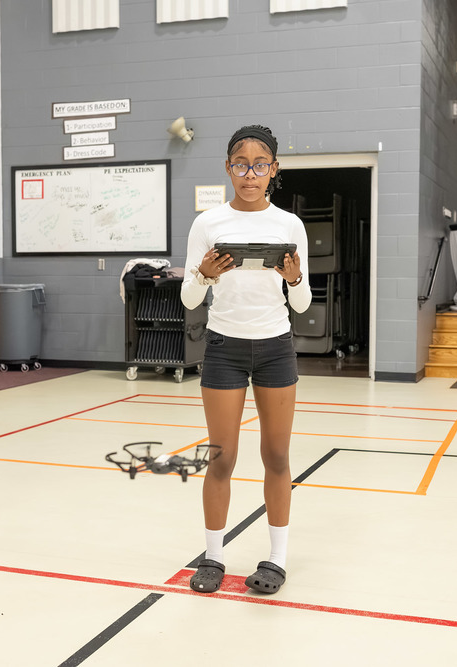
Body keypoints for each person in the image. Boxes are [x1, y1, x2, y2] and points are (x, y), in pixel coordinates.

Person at [180, 124, 311, 594]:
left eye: (259, 165)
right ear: (229, 169)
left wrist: (294, 279)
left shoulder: (289, 225)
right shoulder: (208, 224)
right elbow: (190, 300)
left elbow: (301, 305)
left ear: (273, 170)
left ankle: (276, 559)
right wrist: (203, 274)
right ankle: (213, 557)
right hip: (224, 349)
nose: (249, 174)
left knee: (276, 455)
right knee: (221, 457)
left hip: (275, 347)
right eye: (240, 164)